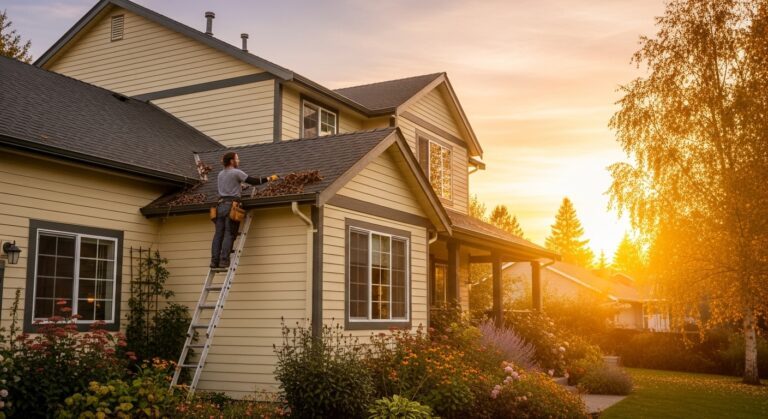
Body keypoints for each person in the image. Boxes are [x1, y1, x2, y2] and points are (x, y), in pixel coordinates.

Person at [210, 152, 277, 268]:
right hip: (232, 206)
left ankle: (214, 261)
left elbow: (228, 186)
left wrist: (240, 187)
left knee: (218, 235)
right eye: (237, 159)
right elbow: (254, 181)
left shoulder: (220, 174)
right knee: (229, 234)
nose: (239, 161)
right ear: (231, 161)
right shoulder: (236, 172)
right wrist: (270, 178)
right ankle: (224, 261)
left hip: (220, 206)